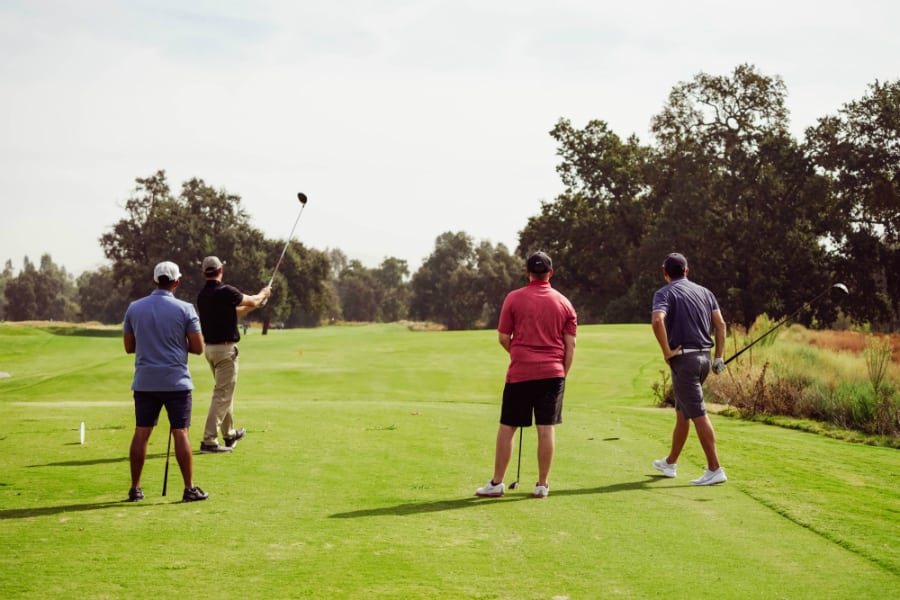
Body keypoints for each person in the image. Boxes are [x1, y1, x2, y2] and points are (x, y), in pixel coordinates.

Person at [475, 251, 577, 499]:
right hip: (553, 373)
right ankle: (542, 485)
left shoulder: (514, 298)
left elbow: (502, 337)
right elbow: (570, 345)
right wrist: (562, 372)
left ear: (528, 273)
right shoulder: (564, 303)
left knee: (508, 426)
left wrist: (518, 354)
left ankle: (497, 483)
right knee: (546, 428)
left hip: (520, 373)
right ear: (550, 273)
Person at [123, 261, 208, 502]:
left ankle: (135, 488)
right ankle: (189, 488)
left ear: (154, 281)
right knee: (180, 432)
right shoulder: (186, 309)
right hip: (176, 382)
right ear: (176, 282)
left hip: (145, 381)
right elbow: (198, 348)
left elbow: (129, 347)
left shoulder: (134, 308)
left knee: (142, 432)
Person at [651, 252, 728, 486]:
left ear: (666, 273)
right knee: (682, 413)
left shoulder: (664, 293)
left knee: (698, 414)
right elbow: (721, 325)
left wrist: (666, 352)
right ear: (687, 270)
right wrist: (719, 358)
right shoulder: (705, 292)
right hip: (704, 359)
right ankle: (670, 462)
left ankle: (715, 468)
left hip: (684, 362)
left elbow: (657, 320)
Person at [196, 256, 271, 453]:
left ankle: (229, 434)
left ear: (204, 273)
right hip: (225, 351)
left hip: (210, 350)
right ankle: (209, 440)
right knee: (222, 395)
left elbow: (234, 313)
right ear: (221, 270)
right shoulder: (227, 291)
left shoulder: (202, 295)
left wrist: (255, 303)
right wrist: (263, 294)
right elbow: (253, 300)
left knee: (224, 392)